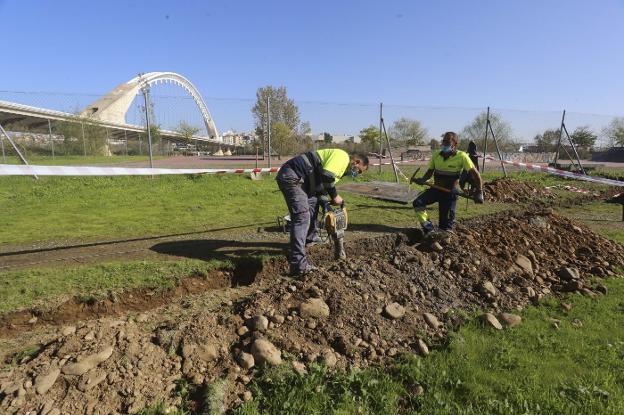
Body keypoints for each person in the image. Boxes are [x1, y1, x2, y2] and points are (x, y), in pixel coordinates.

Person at [276, 149, 369, 276]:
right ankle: (299, 266)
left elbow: (321, 189)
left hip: (303, 181)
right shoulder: (342, 157)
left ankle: (310, 238)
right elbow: (326, 175)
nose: (356, 174)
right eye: (358, 171)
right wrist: (335, 196)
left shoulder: (339, 171)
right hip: (293, 176)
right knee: (302, 217)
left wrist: (326, 205)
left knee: (313, 203)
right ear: (356, 162)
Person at [412, 132, 484, 234]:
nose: (444, 143)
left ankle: (444, 237)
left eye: (447, 141)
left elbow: (476, 174)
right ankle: (429, 229)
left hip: (450, 192)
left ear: (454, 143)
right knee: (418, 203)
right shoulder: (436, 155)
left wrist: (480, 192)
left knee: (445, 227)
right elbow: (430, 171)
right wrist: (423, 179)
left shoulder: (462, 156)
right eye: (443, 141)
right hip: (436, 189)